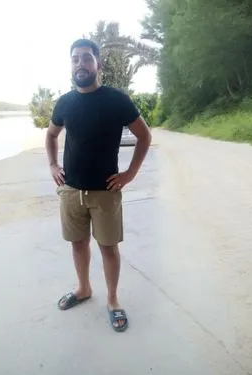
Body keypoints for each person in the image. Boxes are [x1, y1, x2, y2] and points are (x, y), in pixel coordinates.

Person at [45, 38, 151, 332]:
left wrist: (129, 174)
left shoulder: (117, 99)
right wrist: (53, 165)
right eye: (75, 59)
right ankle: (83, 289)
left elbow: (144, 136)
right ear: (72, 65)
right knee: (78, 244)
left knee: (108, 247)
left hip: (106, 192)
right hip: (71, 191)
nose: (81, 64)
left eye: (87, 58)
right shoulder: (64, 102)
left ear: (97, 64)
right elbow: (52, 135)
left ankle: (114, 300)